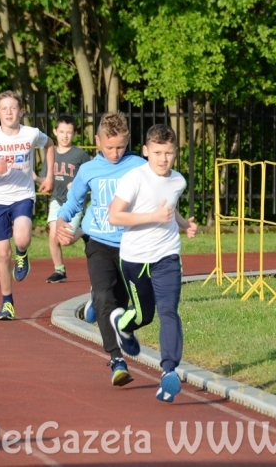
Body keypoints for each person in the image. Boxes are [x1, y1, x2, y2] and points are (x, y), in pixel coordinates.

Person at [108, 124, 198, 403]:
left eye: (169, 153)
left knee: (169, 311)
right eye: (157, 152)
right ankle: (121, 323)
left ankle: (169, 370)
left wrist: (183, 225)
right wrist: (154, 217)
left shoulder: (178, 181)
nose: (163, 159)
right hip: (135, 258)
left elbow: (169, 205)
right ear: (146, 151)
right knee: (144, 315)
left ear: (175, 153)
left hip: (167, 255)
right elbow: (115, 217)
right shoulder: (134, 178)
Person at [56, 113, 147, 386]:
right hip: (98, 242)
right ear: (97, 141)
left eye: (120, 146)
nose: (115, 153)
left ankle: (95, 305)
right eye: (109, 147)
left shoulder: (139, 166)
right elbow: (73, 202)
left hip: (131, 246)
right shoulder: (89, 170)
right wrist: (62, 221)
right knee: (107, 299)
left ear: (127, 140)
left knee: (121, 304)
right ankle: (117, 360)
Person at [0, 91, 55, 321]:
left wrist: (49, 175)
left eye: (13, 108)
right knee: (3, 253)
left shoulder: (31, 134)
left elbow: (49, 144)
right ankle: (7, 303)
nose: (9, 112)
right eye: (4, 108)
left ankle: (22, 253)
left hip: (22, 195)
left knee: (21, 239)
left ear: (21, 111)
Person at [35, 115, 90, 283]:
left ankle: (85, 230)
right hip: (56, 200)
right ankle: (59, 270)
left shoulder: (80, 155)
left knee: (65, 240)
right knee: (53, 236)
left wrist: (77, 184)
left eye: (69, 132)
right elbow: (46, 180)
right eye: (61, 132)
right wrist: (34, 177)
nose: (65, 136)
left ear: (74, 134)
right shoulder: (51, 154)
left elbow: (90, 178)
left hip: (75, 202)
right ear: (55, 132)